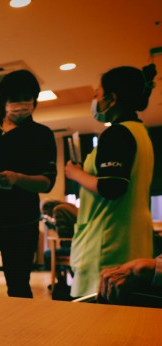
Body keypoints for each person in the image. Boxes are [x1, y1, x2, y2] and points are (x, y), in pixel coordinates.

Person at [65, 64, 157, 297]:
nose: (95, 100)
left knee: (98, 310)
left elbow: (112, 186)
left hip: (107, 243)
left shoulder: (117, 133)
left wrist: (75, 173)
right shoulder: (141, 133)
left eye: (97, 94)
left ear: (112, 99)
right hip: (132, 238)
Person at [0, 70, 57, 298]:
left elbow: (47, 183)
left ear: (35, 100)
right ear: (3, 100)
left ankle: (19, 324)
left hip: (21, 223)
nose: (22, 104)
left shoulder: (41, 135)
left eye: (28, 98)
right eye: (15, 98)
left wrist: (18, 178)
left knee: (18, 286)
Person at [41, 199, 78, 298]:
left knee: (48, 254)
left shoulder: (58, 210)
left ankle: (61, 282)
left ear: (48, 209)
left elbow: (63, 233)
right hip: (79, 244)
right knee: (56, 253)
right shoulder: (69, 206)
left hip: (72, 246)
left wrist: (52, 224)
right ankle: (67, 282)